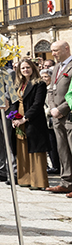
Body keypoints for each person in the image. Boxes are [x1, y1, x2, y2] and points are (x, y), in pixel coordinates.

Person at [10, 57, 49, 190]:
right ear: (19, 70)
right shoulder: (18, 85)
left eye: (28, 67)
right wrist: (14, 118)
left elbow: (37, 104)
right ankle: (25, 179)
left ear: (33, 68)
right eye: (23, 68)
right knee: (22, 149)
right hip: (19, 120)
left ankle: (38, 182)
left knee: (36, 151)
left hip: (33, 120)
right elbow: (14, 103)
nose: (25, 70)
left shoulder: (40, 84)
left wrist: (24, 118)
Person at [45, 40, 72, 195]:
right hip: (56, 115)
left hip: (68, 114)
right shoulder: (56, 67)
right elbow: (50, 90)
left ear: (66, 48)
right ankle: (67, 182)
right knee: (62, 150)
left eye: (56, 50)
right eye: (52, 51)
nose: (53, 53)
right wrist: (52, 107)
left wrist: (61, 109)